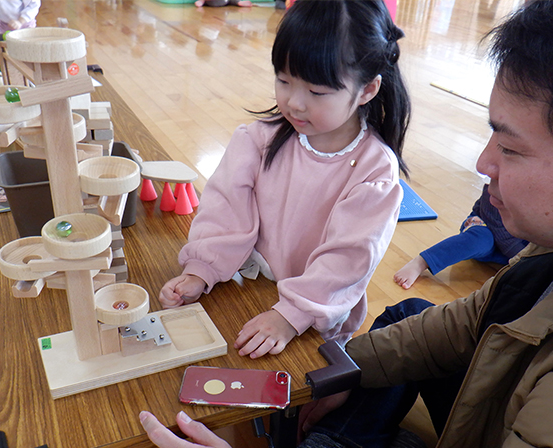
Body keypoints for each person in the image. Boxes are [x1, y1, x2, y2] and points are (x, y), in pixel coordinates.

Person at [140, 0, 553, 448]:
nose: (482, 163)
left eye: (511, 147)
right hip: (498, 428)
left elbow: (345, 262)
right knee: (410, 317)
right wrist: (334, 375)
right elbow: (464, 325)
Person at [158, 0, 411, 359]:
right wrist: (202, 269)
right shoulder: (257, 139)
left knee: (304, 395)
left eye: (317, 92)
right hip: (253, 292)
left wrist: (290, 316)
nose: (294, 103)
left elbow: (347, 261)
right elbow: (225, 210)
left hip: (316, 316)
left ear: (367, 90)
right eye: (283, 80)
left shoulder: (374, 172)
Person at [393, 182, 527, 289]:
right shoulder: (504, 178)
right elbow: (497, 225)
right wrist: (525, 257)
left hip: (520, 248)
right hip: (488, 227)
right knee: (479, 240)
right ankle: (422, 262)